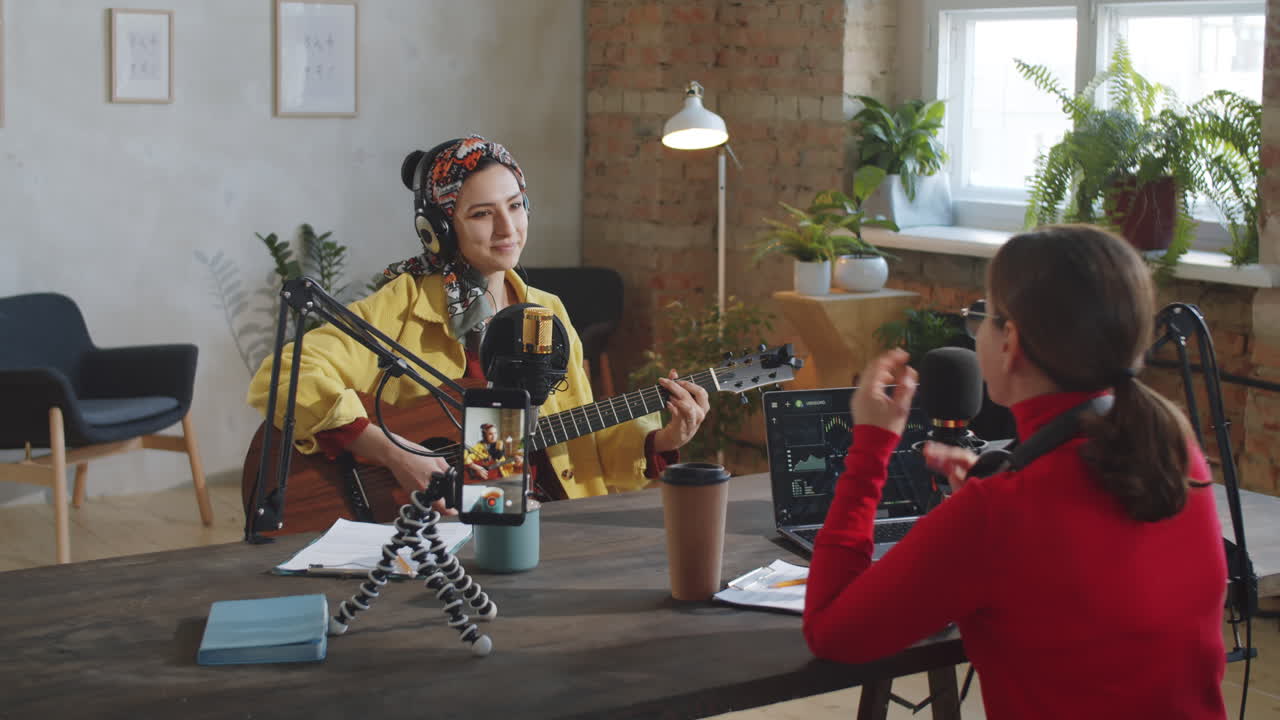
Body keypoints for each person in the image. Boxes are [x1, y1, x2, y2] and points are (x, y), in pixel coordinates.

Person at [803, 225, 1227, 718]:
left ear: (1012, 342)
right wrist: (993, 488)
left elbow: (831, 631)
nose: (977, 330)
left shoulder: (1001, 513)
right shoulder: (1174, 449)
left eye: (983, 315)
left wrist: (872, 447)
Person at [247, 134, 710, 507]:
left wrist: (663, 436)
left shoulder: (546, 313)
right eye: (483, 214)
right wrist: (393, 453)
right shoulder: (400, 306)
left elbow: (581, 437)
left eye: (515, 205)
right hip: (436, 532)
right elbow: (285, 374)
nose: (508, 228)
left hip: (544, 518)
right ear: (439, 229)